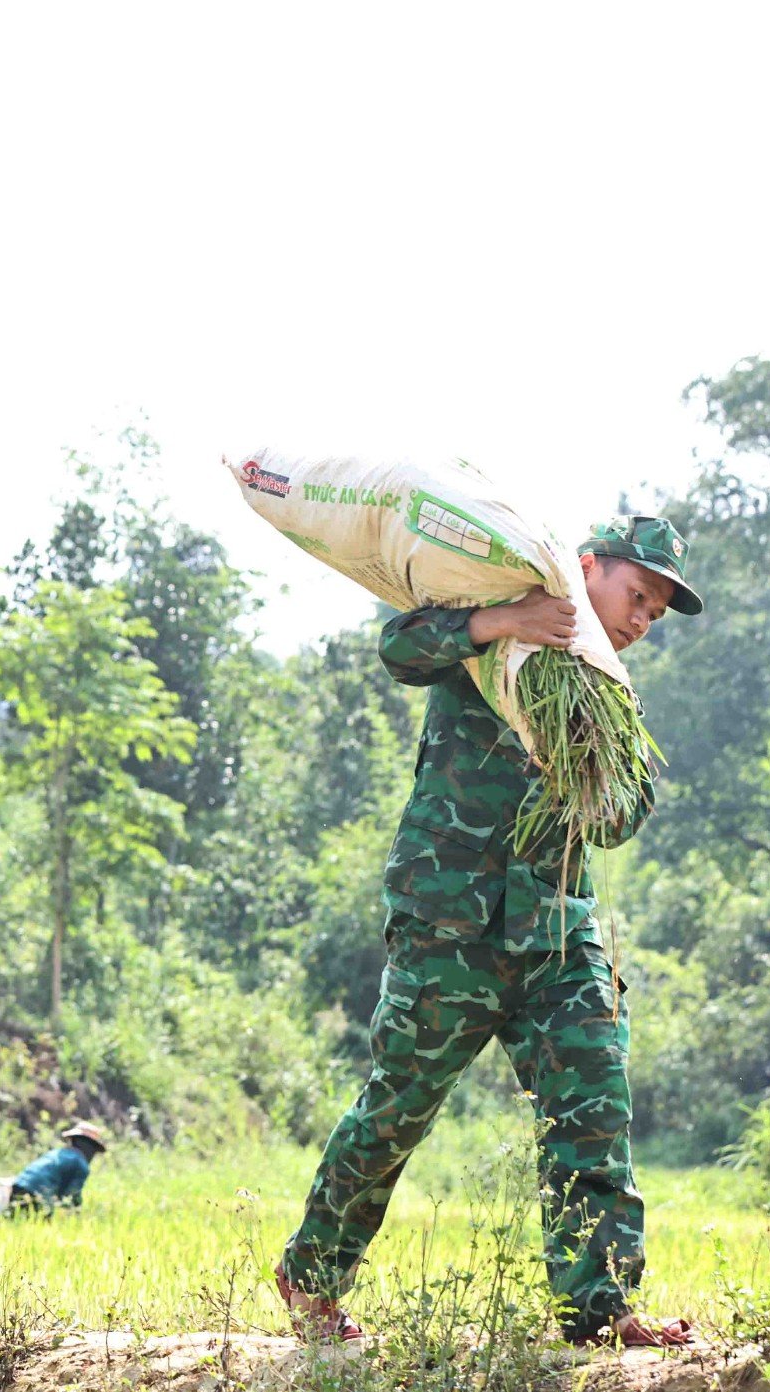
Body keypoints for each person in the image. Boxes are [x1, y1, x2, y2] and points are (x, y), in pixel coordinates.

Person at [275, 517, 703, 1349]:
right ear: (588, 570)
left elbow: (627, 813)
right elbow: (400, 648)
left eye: (656, 610)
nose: (643, 618)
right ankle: (312, 1275)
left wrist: (580, 767)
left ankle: (600, 1310)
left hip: (554, 926)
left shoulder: (605, 691)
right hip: (452, 920)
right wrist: (501, 623)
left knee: (593, 1104)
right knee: (398, 1107)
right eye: (636, 593)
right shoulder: (489, 621)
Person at [2, 1120, 109, 1213]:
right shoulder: (81, 1164)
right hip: (39, 1193)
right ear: (91, 1148)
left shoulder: (56, 1153)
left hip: (18, 1185)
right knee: (41, 1224)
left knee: (15, 1219)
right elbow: (72, 1196)